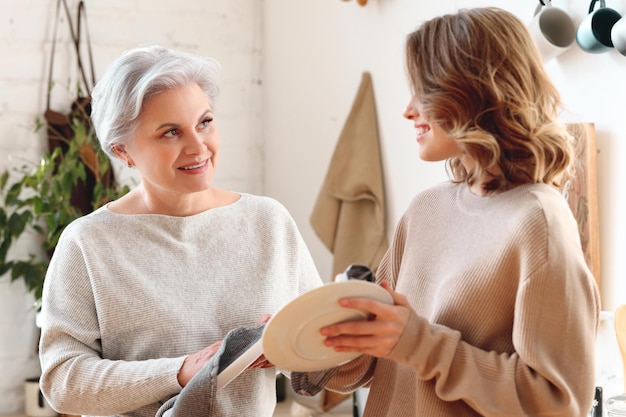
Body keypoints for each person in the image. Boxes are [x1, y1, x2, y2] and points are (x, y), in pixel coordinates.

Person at [314, 7, 600, 417]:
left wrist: (418, 342)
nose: (408, 110)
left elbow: (557, 404)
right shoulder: (425, 210)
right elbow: (374, 361)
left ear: (472, 91)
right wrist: (311, 335)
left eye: (423, 92)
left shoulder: (539, 222)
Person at [38, 45, 323, 417]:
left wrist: (300, 344)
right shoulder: (88, 243)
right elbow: (63, 382)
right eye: (171, 132)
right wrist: (180, 372)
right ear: (122, 151)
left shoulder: (268, 222)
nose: (198, 147)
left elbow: (322, 360)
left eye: (205, 122)